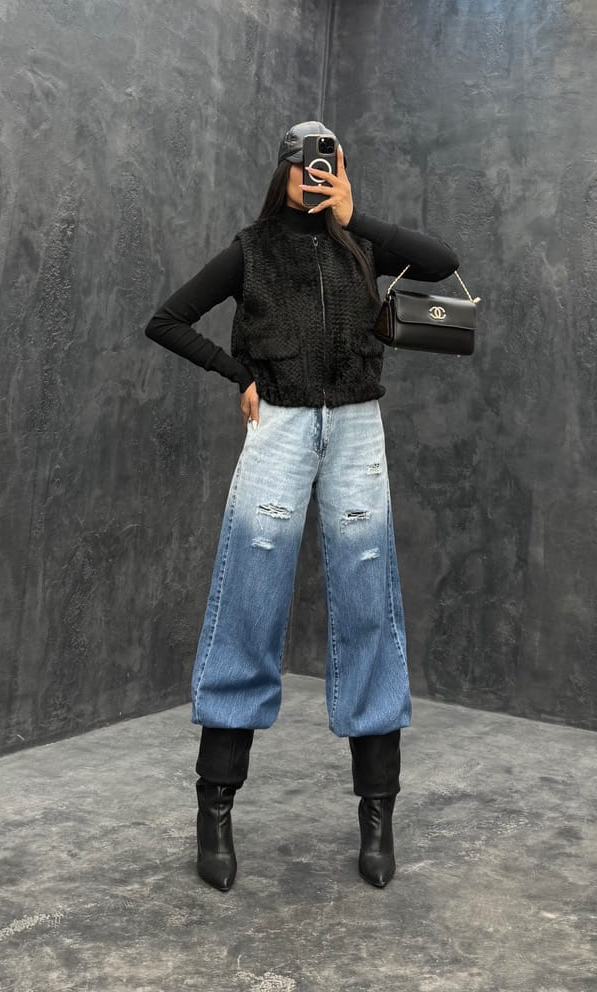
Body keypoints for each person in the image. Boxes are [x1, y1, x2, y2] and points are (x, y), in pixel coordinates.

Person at [145, 120, 459, 892]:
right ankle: (216, 809)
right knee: (249, 600)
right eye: (303, 164)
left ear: (339, 169)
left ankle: (377, 816)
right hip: (281, 425)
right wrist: (240, 377)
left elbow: (444, 261)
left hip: (356, 427)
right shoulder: (251, 249)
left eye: (327, 163)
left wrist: (356, 216)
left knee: (368, 604)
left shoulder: (361, 244)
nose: (313, 175)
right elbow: (167, 320)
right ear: (281, 170)